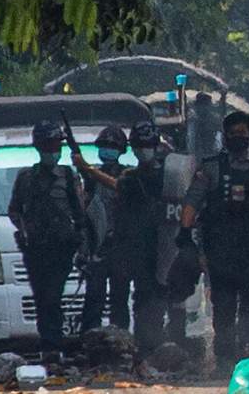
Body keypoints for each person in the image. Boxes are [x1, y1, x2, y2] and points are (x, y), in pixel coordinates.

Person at [178, 112, 249, 372]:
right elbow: (192, 202)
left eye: (243, 133)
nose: (238, 138)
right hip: (220, 251)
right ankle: (225, 359)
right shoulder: (210, 168)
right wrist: (185, 234)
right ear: (225, 136)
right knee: (224, 308)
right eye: (233, 133)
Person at [74, 122, 172, 357]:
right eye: (139, 145)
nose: (143, 150)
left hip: (148, 248)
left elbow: (119, 186)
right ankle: (97, 347)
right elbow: (86, 212)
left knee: (133, 300)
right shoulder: (129, 174)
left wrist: (88, 169)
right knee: (96, 298)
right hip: (116, 247)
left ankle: (135, 346)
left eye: (147, 145)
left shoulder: (146, 176)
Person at [8, 121, 87, 355]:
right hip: (35, 248)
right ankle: (49, 344)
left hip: (61, 247)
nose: (54, 151)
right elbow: (14, 210)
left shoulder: (67, 176)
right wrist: (24, 229)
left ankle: (53, 344)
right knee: (42, 298)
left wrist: (81, 242)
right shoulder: (26, 177)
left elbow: (79, 213)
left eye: (56, 146)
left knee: (52, 296)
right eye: (50, 145)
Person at [78, 125, 131, 333]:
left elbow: (118, 188)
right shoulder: (89, 177)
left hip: (120, 246)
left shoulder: (127, 175)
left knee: (119, 299)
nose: (108, 150)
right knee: (94, 297)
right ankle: (89, 343)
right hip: (96, 247)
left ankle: (121, 342)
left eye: (112, 146)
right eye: (105, 146)